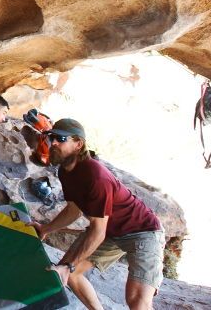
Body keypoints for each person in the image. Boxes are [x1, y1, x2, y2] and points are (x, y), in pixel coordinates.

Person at [30, 118, 164, 310]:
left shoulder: (95, 175)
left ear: (78, 144)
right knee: (70, 275)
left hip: (143, 231)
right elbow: (73, 210)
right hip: (111, 231)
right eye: (51, 137)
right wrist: (46, 228)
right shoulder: (65, 171)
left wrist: (69, 265)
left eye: (60, 138)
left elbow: (97, 231)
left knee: (137, 302)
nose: (54, 143)